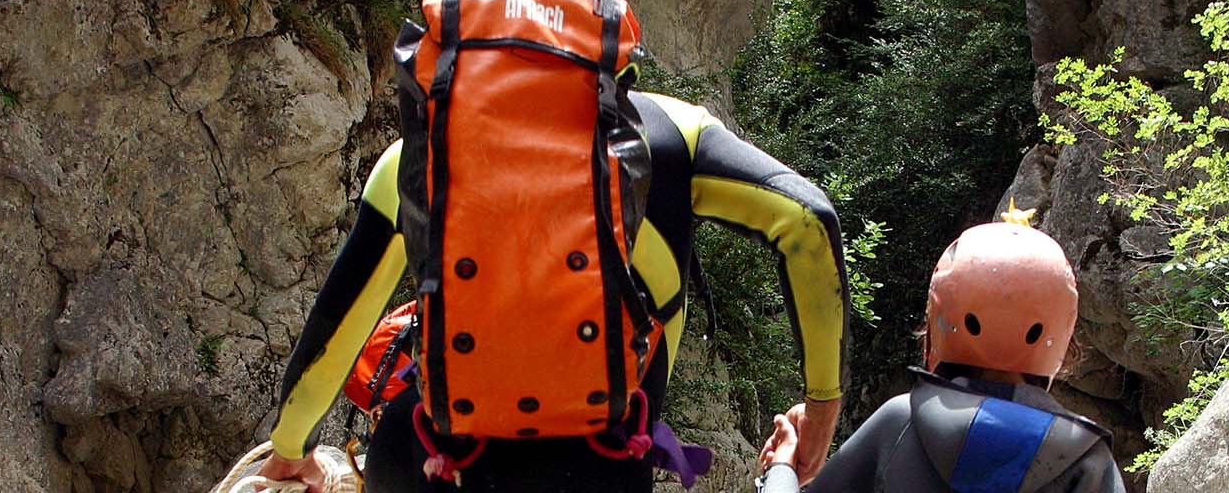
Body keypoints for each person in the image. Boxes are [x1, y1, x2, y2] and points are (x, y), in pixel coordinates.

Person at [254, 89, 850, 492]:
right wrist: (822, 410)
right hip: (599, 468)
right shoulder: (672, 137)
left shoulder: (421, 152)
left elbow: (336, 332)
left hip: (433, 459)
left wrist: (292, 446)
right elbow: (808, 221)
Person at [756, 215, 1125, 493]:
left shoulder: (901, 422)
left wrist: (783, 468)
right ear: (1059, 337)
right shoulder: (1086, 461)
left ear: (938, 324)